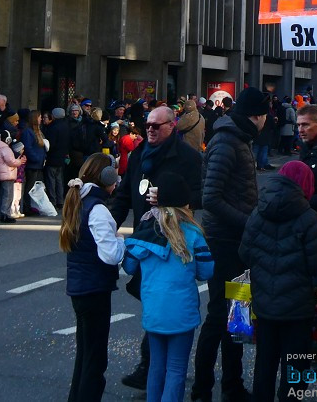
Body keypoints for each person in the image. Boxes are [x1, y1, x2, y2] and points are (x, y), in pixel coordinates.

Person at [110, 104, 203, 391]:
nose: (149, 130)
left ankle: (150, 365)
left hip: (175, 237)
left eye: (156, 126)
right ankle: (151, 366)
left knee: (161, 303)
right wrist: (109, 222)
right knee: (152, 299)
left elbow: (202, 192)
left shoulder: (187, 157)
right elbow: (125, 192)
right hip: (146, 236)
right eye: (147, 125)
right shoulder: (140, 154)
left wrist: (174, 197)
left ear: (171, 126)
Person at [192, 86, 265, 402]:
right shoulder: (226, 141)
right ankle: (202, 390)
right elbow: (211, 198)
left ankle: (233, 387)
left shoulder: (239, 138)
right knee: (219, 315)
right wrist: (250, 223)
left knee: (238, 313)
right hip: (224, 245)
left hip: (238, 245)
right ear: (257, 116)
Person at [239, 160, 317, 402]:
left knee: (265, 363)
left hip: (265, 304)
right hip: (298, 308)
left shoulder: (259, 211)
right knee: (295, 368)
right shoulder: (308, 217)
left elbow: (244, 253)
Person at [123, 172, 214, 402]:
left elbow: (130, 265)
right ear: (185, 204)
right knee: (176, 370)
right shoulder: (193, 234)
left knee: (156, 367)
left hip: (154, 311)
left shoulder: (147, 230)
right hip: (182, 313)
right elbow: (206, 271)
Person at [60, 153, 124, 402]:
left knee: (85, 354)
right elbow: (110, 255)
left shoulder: (79, 201)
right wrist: (122, 243)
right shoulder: (97, 209)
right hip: (95, 288)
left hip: (80, 287)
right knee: (95, 359)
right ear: (107, 177)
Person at [0, 125, 25, 223]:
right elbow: (11, 161)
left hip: (2, 174)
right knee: (8, 195)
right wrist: (20, 161)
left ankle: (0, 214)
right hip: (8, 174)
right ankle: (5, 214)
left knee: (2, 195)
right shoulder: (6, 149)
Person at [43, 107, 70, 209]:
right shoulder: (66, 126)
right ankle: (60, 200)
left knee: (51, 179)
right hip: (62, 156)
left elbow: (51, 144)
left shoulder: (53, 127)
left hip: (53, 156)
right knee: (59, 180)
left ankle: (53, 200)